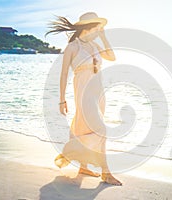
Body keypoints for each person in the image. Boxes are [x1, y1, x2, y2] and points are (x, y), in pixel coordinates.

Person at [45, 12, 122, 186]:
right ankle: (105, 172)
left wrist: (103, 36)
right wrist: (61, 99)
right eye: (97, 28)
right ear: (87, 27)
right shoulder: (73, 47)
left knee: (85, 128)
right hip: (83, 92)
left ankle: (84, 167)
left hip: (99, 92)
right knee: (101, 130)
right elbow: (64, 74)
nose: (98, 31)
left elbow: (112, 56)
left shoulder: (95, 45)